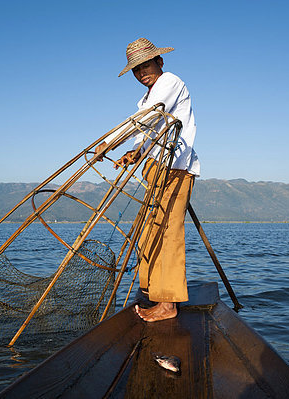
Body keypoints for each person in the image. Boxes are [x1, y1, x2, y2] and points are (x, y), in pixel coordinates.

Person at [96, 37, 199, 322]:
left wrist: (109, 143)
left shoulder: (170, 83)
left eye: (146, 65)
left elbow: (145, 120)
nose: (142, 73)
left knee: (168, 233)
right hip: (155, 170)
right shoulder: (144, 98)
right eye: (136, 69)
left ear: (159, 61)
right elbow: (146, 135)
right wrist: (133, 153)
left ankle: (168, 304)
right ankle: (154, 290)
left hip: (175, 169)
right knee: (151, 230)